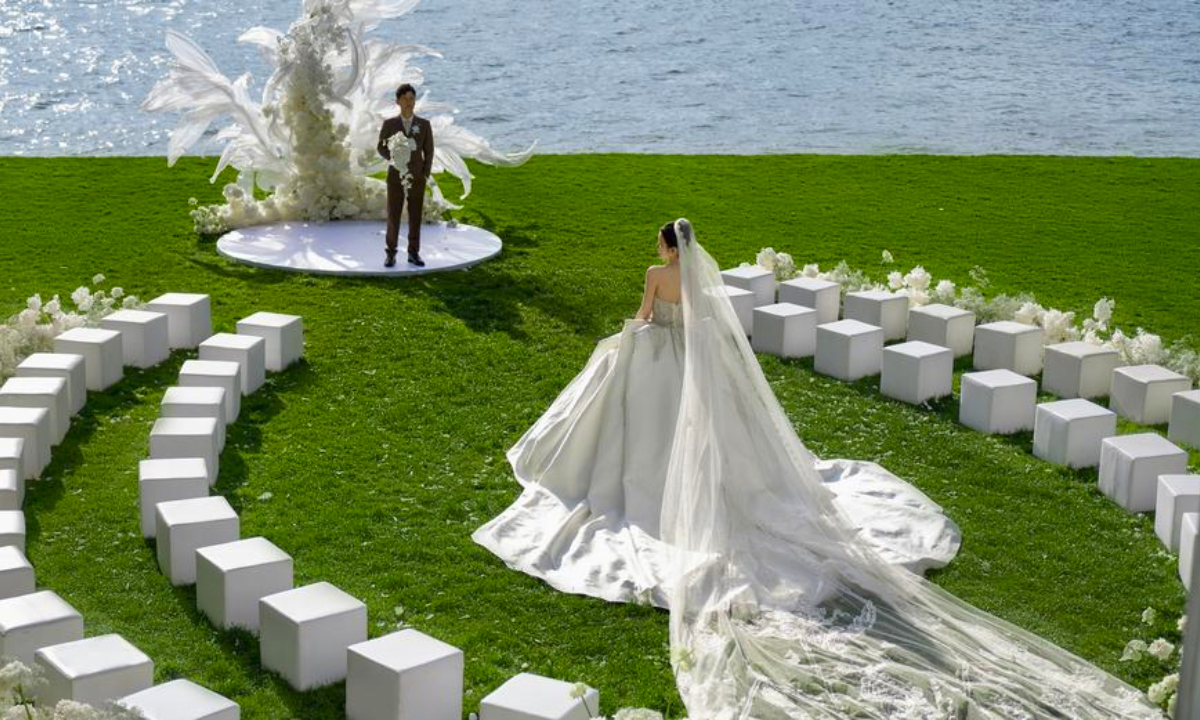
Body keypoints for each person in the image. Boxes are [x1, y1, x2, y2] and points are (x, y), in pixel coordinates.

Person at [475, 219, 1162, 719]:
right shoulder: (702, 286)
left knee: (634, 431)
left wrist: (635, 335)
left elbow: (647, 319)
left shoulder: (659, 278)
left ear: (664, 249)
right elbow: (710, 334)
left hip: (660, 361)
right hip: (695, 371)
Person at [377, 83, 434, 268]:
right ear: (398, 102)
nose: (409, 102)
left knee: (415, 215)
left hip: (417, 178)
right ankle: (391, 253)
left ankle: (413, 253)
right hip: (395, 177)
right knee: (393, 215)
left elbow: (429, 151)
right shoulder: (390, 124)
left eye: (412, 99)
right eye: (405, 99)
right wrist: (394, 158)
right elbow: (381, 147)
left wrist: (424, 174)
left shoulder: (424, 125)